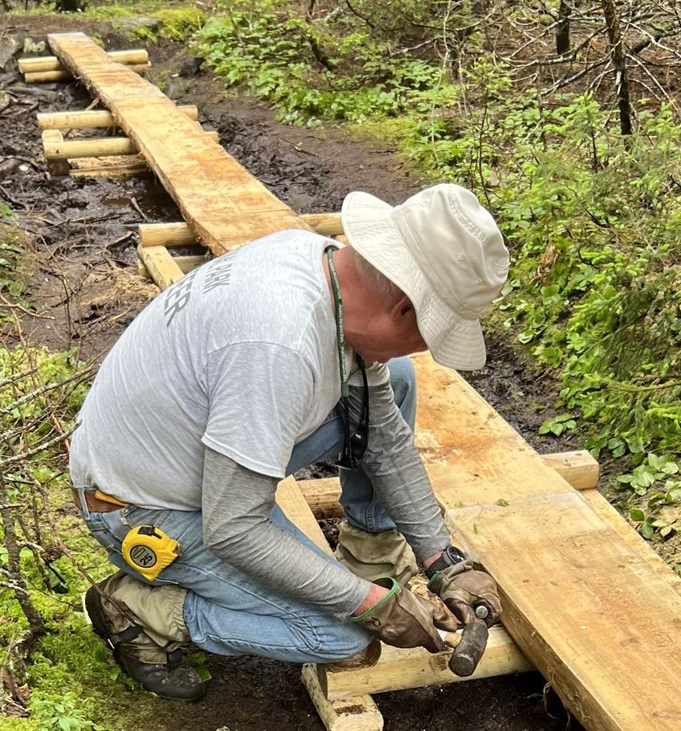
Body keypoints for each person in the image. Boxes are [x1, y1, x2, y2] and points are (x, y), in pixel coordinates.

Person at [68, 183, 510, 701]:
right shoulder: (278, 347)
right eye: (430, 334)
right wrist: (369, 606)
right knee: (340, 634)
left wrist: (444, 561)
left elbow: (384, 438)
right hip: (140, 508)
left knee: (397, 382)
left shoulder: (323, 266)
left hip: (183, 457)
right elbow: (234, 529)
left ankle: (371, 559)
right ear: (404, 309)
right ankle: (142, 612)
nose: (428, 348)